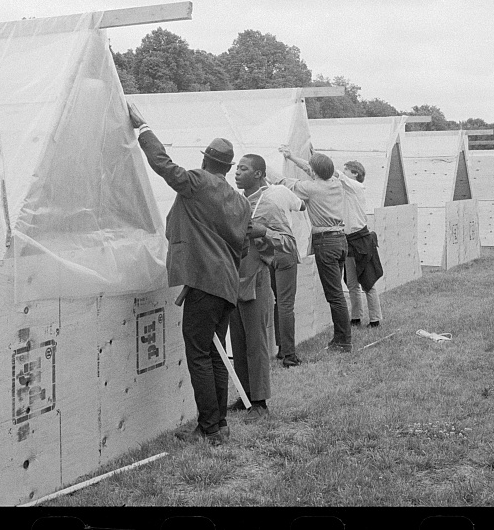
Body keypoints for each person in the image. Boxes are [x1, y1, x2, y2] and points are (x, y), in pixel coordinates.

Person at [129, 102, 251, 447]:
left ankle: (209, 428)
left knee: (198, 353)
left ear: (205, 161)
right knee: (214, 353)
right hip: (226, 284)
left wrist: (143, 128)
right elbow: (243, 242)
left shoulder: (198, 183)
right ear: (227, 167)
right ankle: (219, 424)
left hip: (206, 282)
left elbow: (163, 166)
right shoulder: (240, 202)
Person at [228, 154, 302, 422]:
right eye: (236, 168)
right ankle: (244, 395)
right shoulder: (236, 202)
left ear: (258, 174)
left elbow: (289, 244)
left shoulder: (268, 203)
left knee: (256, 342)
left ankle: (259, 401)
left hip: (255, 281)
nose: (237, 173)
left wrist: (263, 233)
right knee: (237, 341)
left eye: (244, 169)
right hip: (233, 281)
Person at [274, 145, 352, 353]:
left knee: (334, 294)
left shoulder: (311, 188)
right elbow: (312, 170)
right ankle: (341, 338)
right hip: (340, 240)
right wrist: (292, 158)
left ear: (316, 172)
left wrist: (265, 170)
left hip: (326, 242)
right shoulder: (334, 183)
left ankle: (343, 341)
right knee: (337, 292)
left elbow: (283, 184)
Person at [338, 161, 385, 329]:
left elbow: (336, 175)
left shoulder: (356, 187)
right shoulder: (345, 189)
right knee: (351, 283)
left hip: (361, 240)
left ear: (355, 174)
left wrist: (320, 160)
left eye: (346, 170)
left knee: (368, 282)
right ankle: (356, 317)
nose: (343, 172)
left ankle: (375, 320)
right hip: (348, 240)